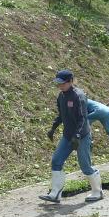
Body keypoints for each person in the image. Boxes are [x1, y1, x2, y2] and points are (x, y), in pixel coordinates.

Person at [39, 70, 102, 203]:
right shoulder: (61, 96)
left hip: (82, 135)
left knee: (85, 166)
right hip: (68, 135)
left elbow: (82, 119)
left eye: (62, 83)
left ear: (70, 81)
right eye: (58, 84)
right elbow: (61, 115)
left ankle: (97, 191)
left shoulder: (78, 96)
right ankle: (55, 193)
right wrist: (53, 128)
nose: (60, 86)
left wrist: (77, 136)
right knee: (56, 161)